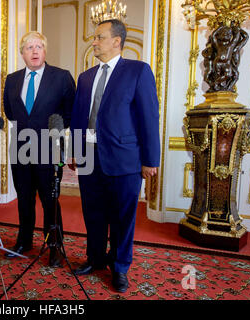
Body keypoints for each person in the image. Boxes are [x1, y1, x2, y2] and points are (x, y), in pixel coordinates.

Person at [69, 19, 160, 292]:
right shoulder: (85, 77)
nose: (94, 42)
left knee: (122, 217)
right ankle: (95, 258)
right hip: (88, 158)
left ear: (116, 41)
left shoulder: (138, 71)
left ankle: (120, 267)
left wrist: (150, 160)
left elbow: (149, 118)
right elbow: (77, 118)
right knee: (93, 213)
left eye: (99, 37)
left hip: (125, 160)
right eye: (94, 38)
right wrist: (74, 149)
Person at [3, 31, 76, 267]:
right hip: (20, 149)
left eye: (39, 47)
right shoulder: (11, 79)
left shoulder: (62, 77)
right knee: (24, 199)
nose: (34, 51)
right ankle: (24, 241)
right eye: (29, 47)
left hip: (49, 150)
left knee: (50, 201)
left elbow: (69, 113)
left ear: (45, 51)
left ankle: (54, 246)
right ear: (22, 53)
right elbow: (10, 112)